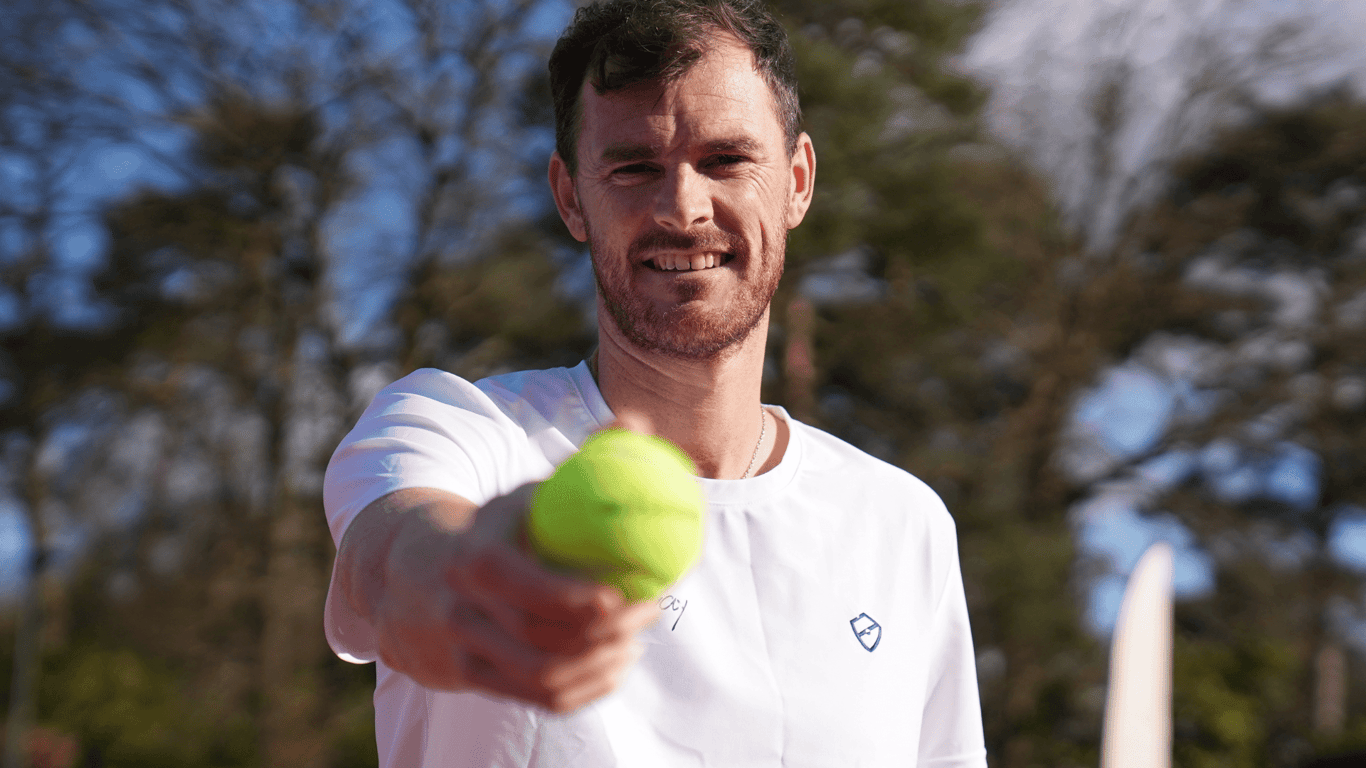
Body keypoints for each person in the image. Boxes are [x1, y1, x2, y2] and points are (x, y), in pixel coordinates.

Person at [322, 0, 988, 765]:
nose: (683, 207)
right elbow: (392, 556)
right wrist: (463, 579)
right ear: (571, 197)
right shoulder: (460, 428)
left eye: (726, 160)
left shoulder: (903, 524)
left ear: (798, 182)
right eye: (634, 168)